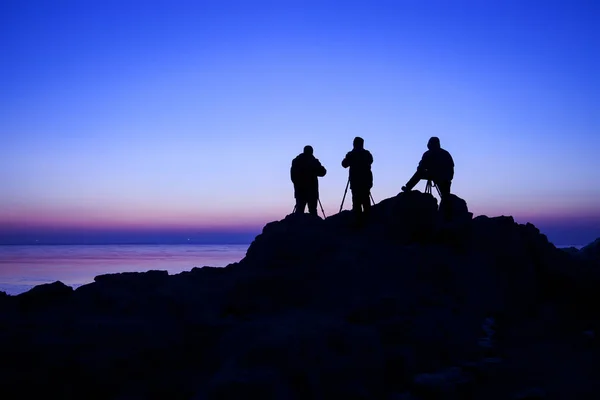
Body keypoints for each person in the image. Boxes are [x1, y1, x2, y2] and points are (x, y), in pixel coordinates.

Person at [401, 136, 454, 202]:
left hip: (442, 177)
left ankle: (408, 187)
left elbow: (420, 167)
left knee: (419, 174)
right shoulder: (445, 153)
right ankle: (446, 205)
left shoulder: (429, 154)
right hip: (443, 177)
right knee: (445, 196)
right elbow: (451, 167)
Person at [342, 137, 373, 223]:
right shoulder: (366, 154)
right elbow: (371, 160)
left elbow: (344, 164)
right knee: (366, 201)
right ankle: (368, 221)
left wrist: (351, 156)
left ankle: (359, 222)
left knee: (357, 203)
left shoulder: (351, 154)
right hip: (365, 181)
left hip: (355, 182)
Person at [290, 145, 327, 216]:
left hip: (300, 190)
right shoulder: (313, 161)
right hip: (312, 190)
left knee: (299, 210)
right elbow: (323, 172)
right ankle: (314, 226)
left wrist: (297, 184)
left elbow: (293, 176)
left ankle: (298, 226)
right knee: (313, 211)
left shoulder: (296, 161)